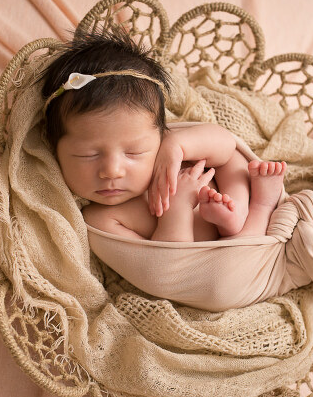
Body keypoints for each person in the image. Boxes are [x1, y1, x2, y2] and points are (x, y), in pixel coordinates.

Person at [40, 29, 287, 243]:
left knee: (232, 158)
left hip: (228, 203)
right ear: (55, 150)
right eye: (88, 154)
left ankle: (244, 210)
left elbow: (226, 142)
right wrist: (177, 208)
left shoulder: (164, 149)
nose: (112, 171)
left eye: (134, 152)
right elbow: (166, 267)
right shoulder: (101, 219)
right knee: (238, 249)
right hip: (217, 256)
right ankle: (258, 211)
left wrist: (177, 146)